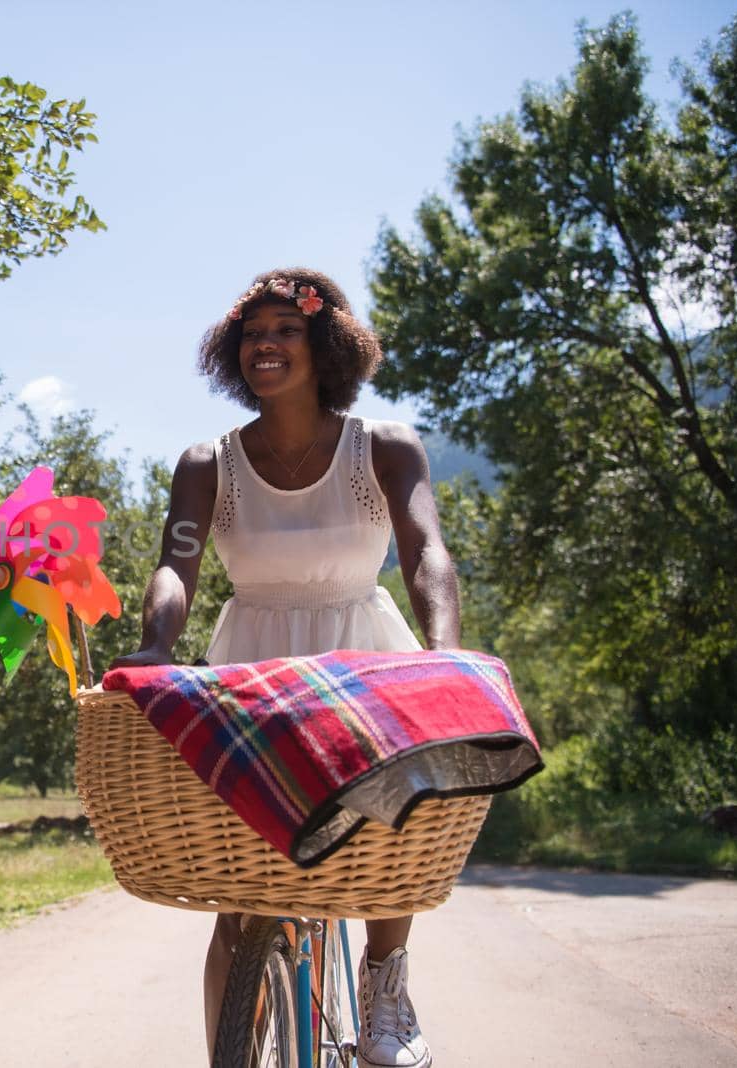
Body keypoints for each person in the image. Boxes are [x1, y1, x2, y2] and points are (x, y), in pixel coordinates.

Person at [111, 268, 457, 1068]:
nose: (265, 345)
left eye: (285, 330)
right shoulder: (210, 463)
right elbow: (178, 565)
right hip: (252, 668)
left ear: (325, 343)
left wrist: (444, 648)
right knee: (239, 902)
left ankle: (384, 984)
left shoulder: (386, 448)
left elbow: (425, 550)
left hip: (365, 656)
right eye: (252, 334)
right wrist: (157, 645)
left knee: (383, 843)